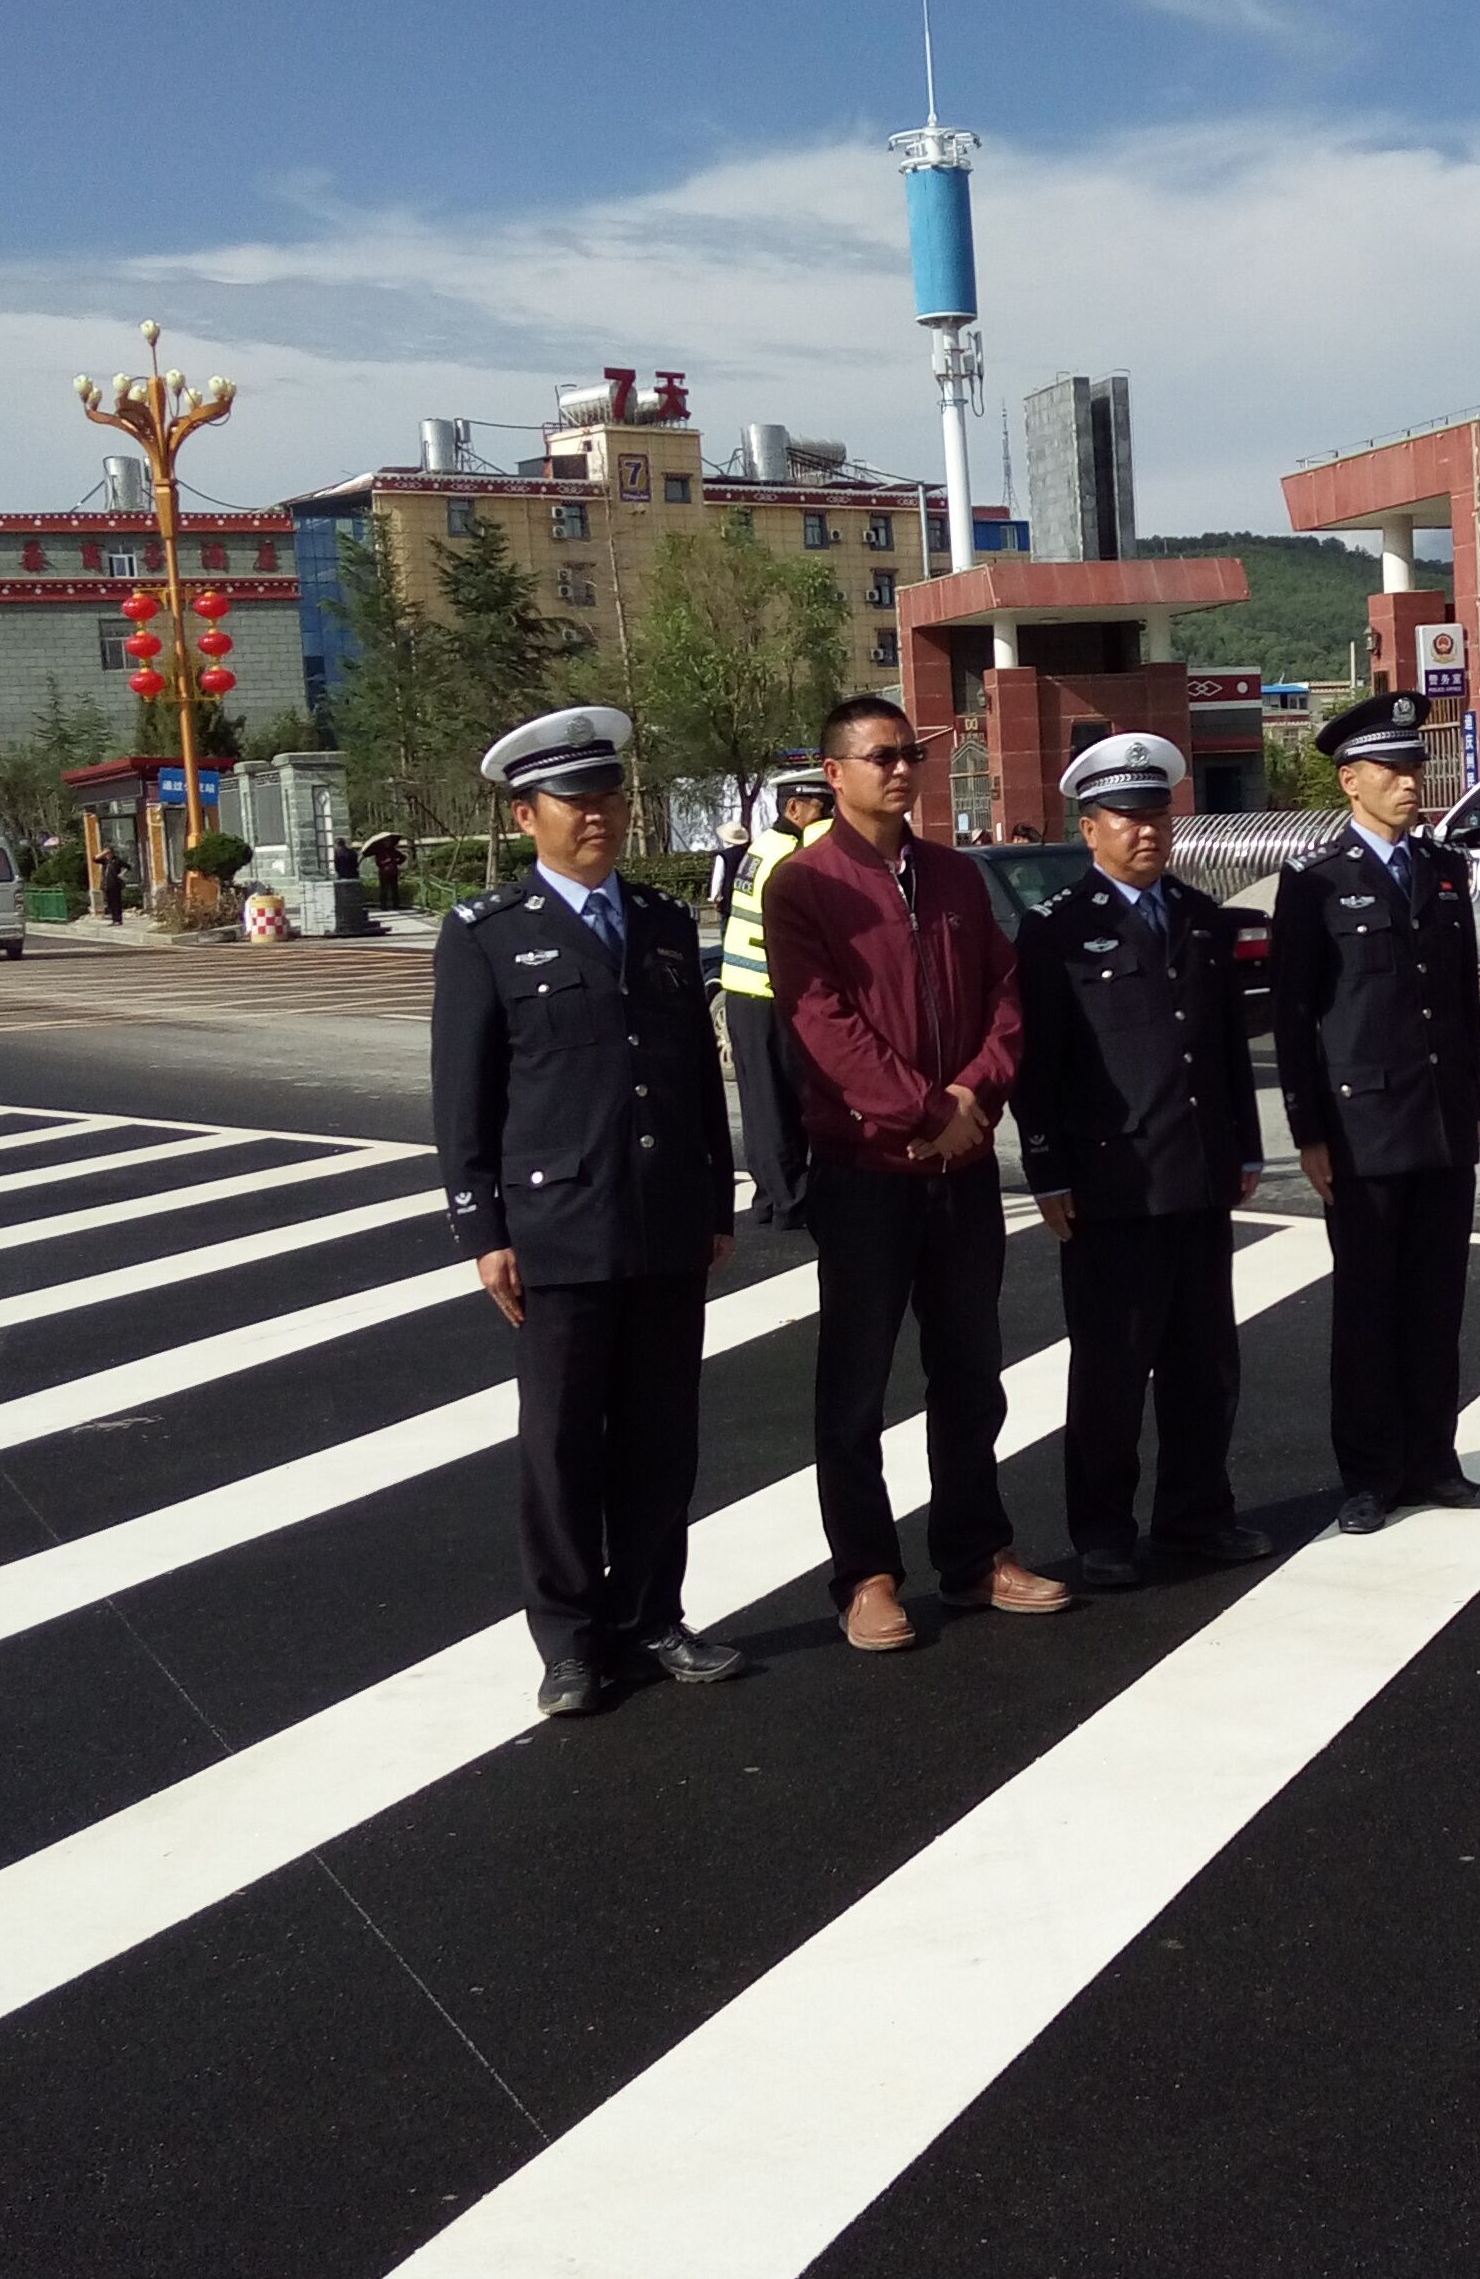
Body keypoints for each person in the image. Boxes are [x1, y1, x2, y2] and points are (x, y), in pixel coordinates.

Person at [431, 705, 743, 1719]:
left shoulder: (661, 921)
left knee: (661, 1436)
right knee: (561, 1445)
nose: (597, 814)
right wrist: (483, 1231)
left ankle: (652, 1617)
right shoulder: (486, 934)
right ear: (528, 815)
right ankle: (569, 1642)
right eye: (575, 800)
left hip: (664, 1220)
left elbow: (693, 1079)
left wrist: (716, 1195)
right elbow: (464, 1097)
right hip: (558, 1228)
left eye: (608, 794)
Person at [763, 694, 1071, 1651]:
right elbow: (822, 1026)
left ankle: (975, 1555)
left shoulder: (954, 875)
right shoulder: (804, 886)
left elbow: (1004, 998)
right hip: (865, 1169)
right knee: (855, 1384)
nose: (902, 770)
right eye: (882, 756)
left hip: (962, 1165)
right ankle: (865, 1574)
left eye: (911, 755)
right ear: (835, 774)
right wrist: (925, 1110)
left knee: (971, 1371)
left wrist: (973, 1096)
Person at [1013, 734, 1272, 1592]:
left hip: (1197, 1174)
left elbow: (1225, 1047)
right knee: (1112, 1370)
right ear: (1089, 828)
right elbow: (1037, 1064)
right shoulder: (1056, 929)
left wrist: (1245, 1144)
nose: (1147, 831)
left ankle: (1196, 1516)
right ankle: (1102, 1529)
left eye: (1157, 814)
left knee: (1206, 1364)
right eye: (1127, 817)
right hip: (1110, 1183)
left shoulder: (1199, 916)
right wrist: (1047, 1170)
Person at [1267, 686, 1480, 1535]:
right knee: (1368, 1308)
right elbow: (1293, 1016)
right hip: (1361, 1127)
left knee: (1436, 1304)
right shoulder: (1316, 881)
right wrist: (1308, 1131)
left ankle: (1434, 1461)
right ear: (1350, 781)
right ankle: (1370, 1476)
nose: (1410, 782)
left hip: (1441, 1121)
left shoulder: (1442, 869)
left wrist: (1472, 1103)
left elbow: (1461, 1000)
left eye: (1414, 767)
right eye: (1392, 770)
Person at [714, 774, 830, 1229]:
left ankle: (769, 1195)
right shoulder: (791, 855)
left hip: (743, 989)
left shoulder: (763, 846)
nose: (828, 817)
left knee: (761, 1102)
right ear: (794, 809)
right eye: (822, 808)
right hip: (769, 989)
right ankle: (791, 1199)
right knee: (784, 1102)